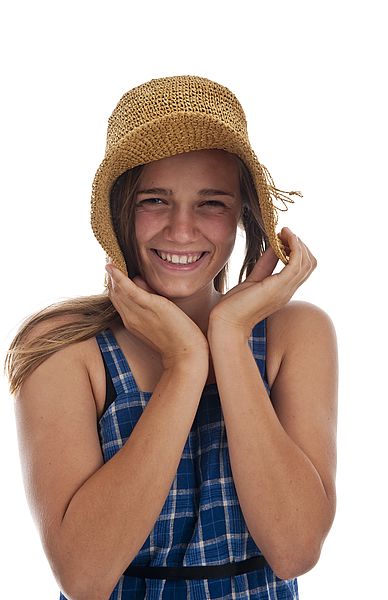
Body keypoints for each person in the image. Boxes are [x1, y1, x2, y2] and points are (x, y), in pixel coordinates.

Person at [5, 75, 338, 600]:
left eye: (212, 203)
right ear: (120, 210)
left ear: (241, 217)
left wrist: (228, 337)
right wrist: (185, 362)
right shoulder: (63, 347)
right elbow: (84, 577)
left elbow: (294, 549)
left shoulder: (294, 334)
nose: (181, 230)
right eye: (154, 200)